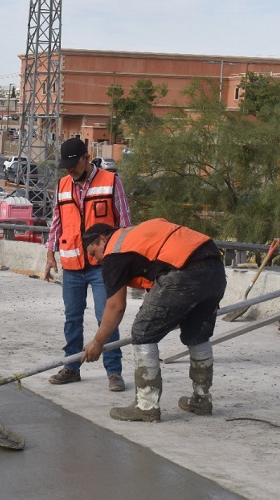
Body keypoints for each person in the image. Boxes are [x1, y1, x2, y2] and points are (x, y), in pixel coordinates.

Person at [80, 219, 226, 422]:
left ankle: (146, 405)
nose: (95, 260)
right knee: (197, 333)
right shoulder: (137, 235)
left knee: (142, 333)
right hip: (215, 269)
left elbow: (116, 307)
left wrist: (98, 342)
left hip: (184, 272)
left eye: (93, 252)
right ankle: (202, 399)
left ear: (102, 239)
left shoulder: (114, 253)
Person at [44, 137, 132, 392]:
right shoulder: (62, 186)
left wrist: (124, 262)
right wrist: (50, 255)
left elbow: (124, 224)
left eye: (74, 164)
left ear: (87, 157)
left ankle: (114, 371)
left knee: (106, 317)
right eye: (66, 165)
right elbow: (56, 223)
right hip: (72, 264)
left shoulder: (111, 182)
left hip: (103, 265)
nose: (70, 170)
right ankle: (72, 367)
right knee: (72, 318)